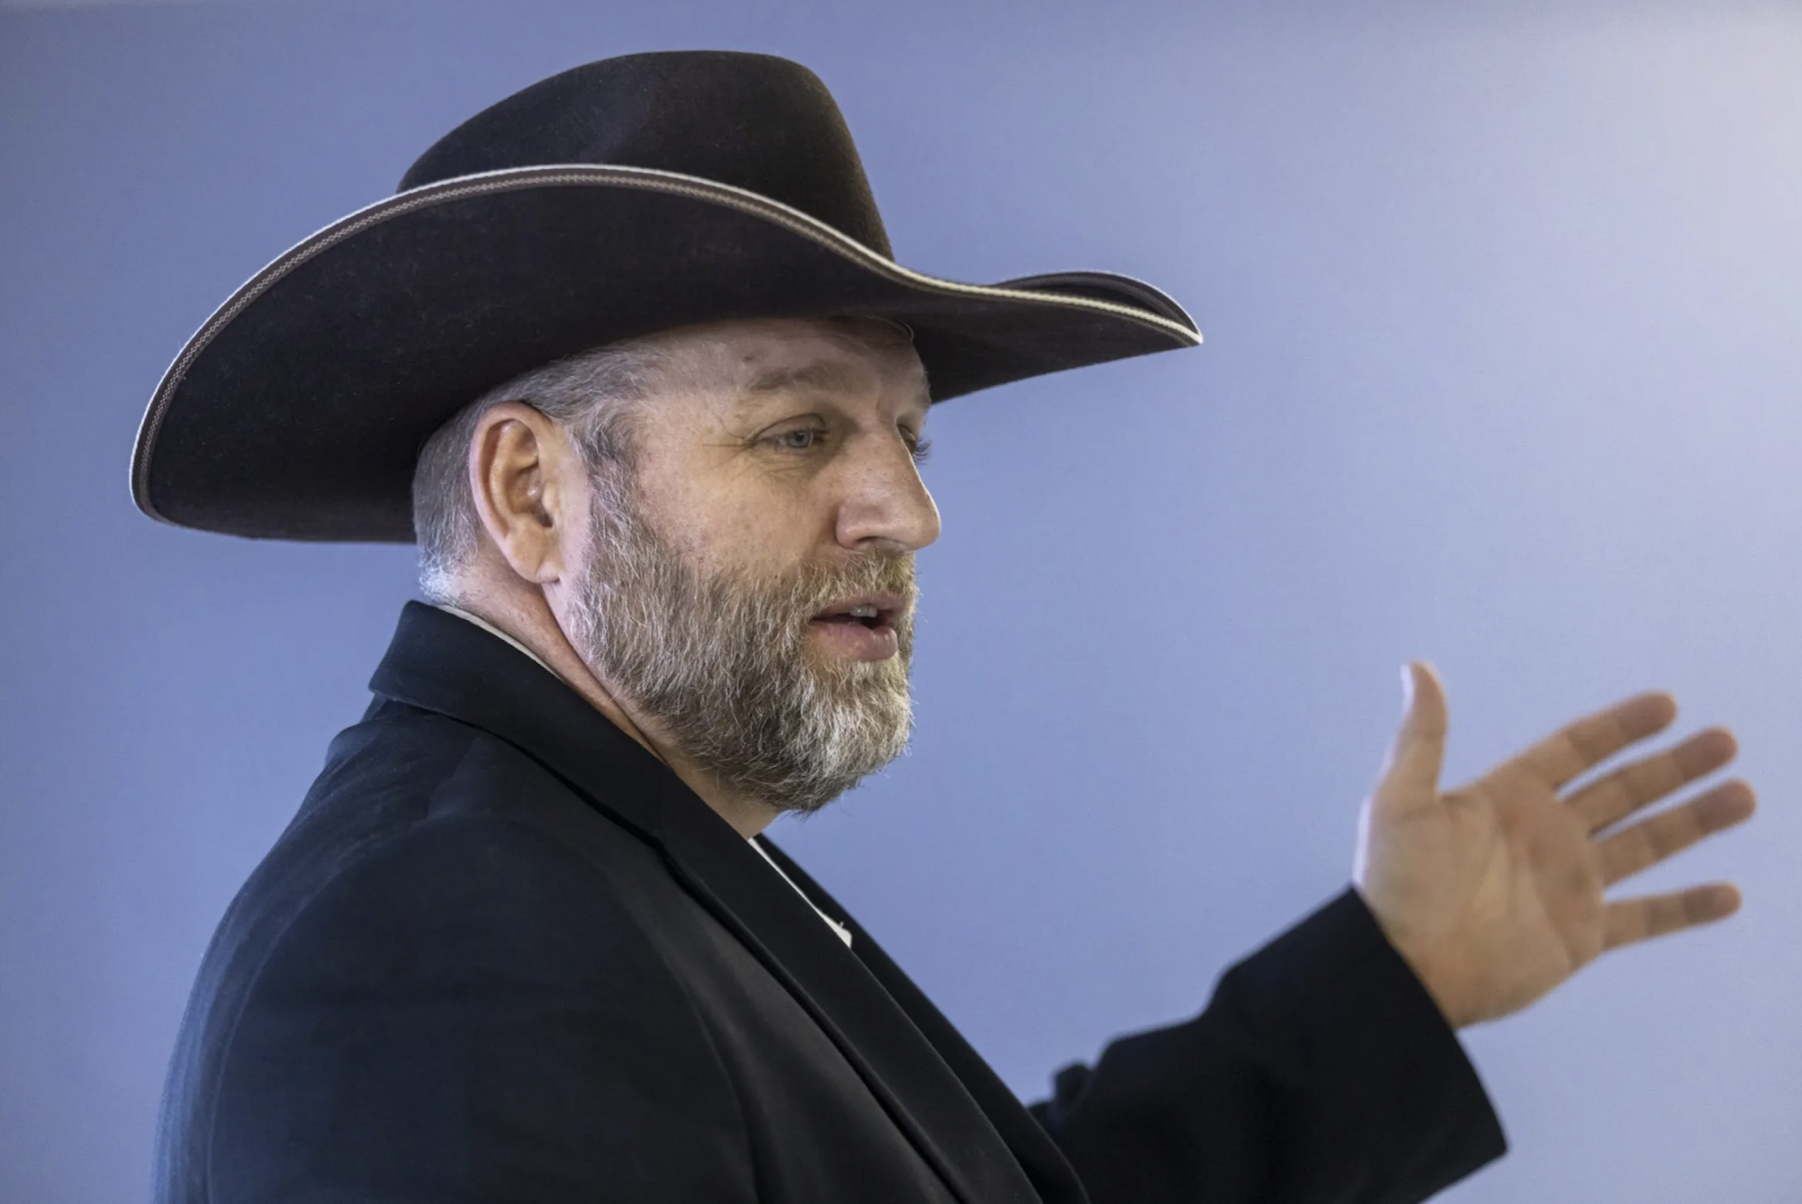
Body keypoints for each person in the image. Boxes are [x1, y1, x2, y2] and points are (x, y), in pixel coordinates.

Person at [138, 51, 1753, 1204]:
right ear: (531, 494)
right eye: (797, 433)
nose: (907, 513)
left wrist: (1389, 985)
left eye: (908, 436)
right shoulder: (457, 940)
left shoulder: (578, 865)